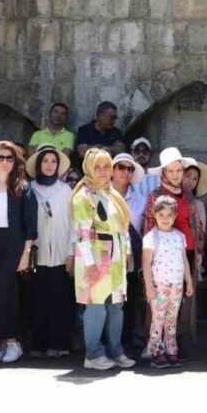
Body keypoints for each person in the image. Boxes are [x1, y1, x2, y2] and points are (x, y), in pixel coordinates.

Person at [71, 148, 136, 370]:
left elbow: (123, 226)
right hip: (96, 256)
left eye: (106, 166)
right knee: (96, 306)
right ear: (88, 168)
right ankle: (93, 354)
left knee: (116, 306)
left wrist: (128, 251)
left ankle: (116, 351)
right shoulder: (83, 196)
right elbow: (82, 234)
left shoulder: (112, 193)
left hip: (116, 256)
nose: (102, 171)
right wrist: (89, 264)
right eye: (97, 167)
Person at [23, 145, 74, 359]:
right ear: (38, 164)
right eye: (45, 161)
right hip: (37, 252)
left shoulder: (66, 190)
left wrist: (71, 252)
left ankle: (59, 344)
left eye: (53, 161)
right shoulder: (29, 188)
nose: (49, 165)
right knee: (37, 299)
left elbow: (73, 222)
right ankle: (38, 344)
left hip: (61, 253)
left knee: (60, 300)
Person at [0, 141, 30, 364]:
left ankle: (13, 342)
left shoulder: (23, 188)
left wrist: (26, 254)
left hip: (13, 247)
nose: (4, 162)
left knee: (6, 295)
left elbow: (30, 226)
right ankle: (1, 342)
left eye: (9, 158)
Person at [142, 195, 194, 368]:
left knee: (172, 319)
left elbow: (184, 260)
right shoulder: (151, 237)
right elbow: (146, 263)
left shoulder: (179, 236)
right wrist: (149, 287)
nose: (165, 219)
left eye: (169, 215)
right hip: (160, 285)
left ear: (175, 216)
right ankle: (156, 351)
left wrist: (188, 281)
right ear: (154, 215)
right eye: (161, 215)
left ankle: (171, 349)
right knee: (158, 319)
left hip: (176, 285)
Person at [110, 152, 147, 355]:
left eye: (130, 168)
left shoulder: (141, 200)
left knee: (129, 300)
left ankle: (125, 343)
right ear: (112, 170)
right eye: (121, 167)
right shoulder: (100, 196)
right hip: (106, 257)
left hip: (130, 258)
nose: (125, 172)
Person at [178, 158, 207, 344]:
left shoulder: (198, 205)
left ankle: (185, 333)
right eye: (187, 176)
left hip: (191, 254)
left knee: (188, 295)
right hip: (171, 255)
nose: (190, 181)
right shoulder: (170, 199)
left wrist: (200, 254)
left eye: (194, 178)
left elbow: (201, 232)